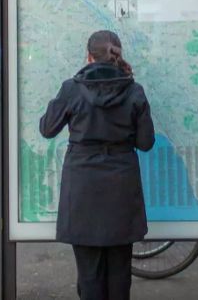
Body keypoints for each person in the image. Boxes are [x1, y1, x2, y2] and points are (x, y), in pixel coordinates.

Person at [39, 30, 155, 300]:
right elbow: (146, 142)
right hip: (121, 187)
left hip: (83, 186)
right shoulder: (134, 90)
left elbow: (47, 128)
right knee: (120, 271)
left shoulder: (72, 88)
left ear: (89, 56)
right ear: (118, 56)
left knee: (89, 273)